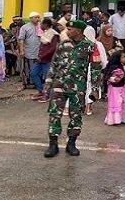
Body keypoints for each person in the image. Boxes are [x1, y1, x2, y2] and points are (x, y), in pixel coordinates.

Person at [43, 20, 102, 158]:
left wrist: (94, 88)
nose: (67, 31)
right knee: (54, 114)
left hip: (77, 87)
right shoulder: (63, 44)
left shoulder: (91, 47)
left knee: (76, 115)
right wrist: (48, 83)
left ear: (78, 31)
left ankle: (71, 143)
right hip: (59, 85)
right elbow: (54, 64)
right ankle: (53, 144)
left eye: (70, 29)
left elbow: (96, 69)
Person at [104, 51, 125, 126]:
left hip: (116, 87)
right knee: (117, 102)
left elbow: (106, 76)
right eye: (123, 57)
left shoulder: (113, 66)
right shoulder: (117, 67)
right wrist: (119, 76)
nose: (124, 59)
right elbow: (115, 78)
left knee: (119, 102)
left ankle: (118, 118)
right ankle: (116, 119)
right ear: (118, 58)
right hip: (116, 88)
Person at [36, 18, 60, 102]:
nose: (41, 26)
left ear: (45, 24)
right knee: (34, 73)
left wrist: (43, 56)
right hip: (40, 58)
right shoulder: (45, 33)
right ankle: (41, 91)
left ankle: (46, 95)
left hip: (48, 59)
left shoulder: (54, 34)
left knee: (48, 79)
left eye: (42, 24)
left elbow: (52, 49)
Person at [17, 12, 42, 91]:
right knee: (27, 68)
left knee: (38, 68)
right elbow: (21, 39)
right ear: (31, 18)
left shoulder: (41, 26)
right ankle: (27, 83)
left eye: (38, 17)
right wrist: (21, 50)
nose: (37, 19)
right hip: (28, 51)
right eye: (35, 17)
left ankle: (36, 83)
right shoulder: (25, 27)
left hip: (39, 52)